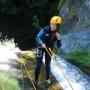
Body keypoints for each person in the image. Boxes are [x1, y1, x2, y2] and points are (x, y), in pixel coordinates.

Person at [34, 16, 62, 88]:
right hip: (40, 47)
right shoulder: (45, 29)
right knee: (38, 65)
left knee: (47, 64)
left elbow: (59, 46)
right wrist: (42, 43)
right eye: (51, 24)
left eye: (54, 25)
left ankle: (47, 80)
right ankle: (36, 81)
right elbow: (38, 37)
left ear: (58, 26)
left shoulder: (58, 33)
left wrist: (59, 39)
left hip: (49, 49)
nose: (52, 26)